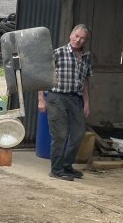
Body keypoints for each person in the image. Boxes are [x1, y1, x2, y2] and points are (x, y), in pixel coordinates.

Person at [38, 24, 92, 181]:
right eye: (76, 36)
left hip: (76, 99)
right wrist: (41, 99)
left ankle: (67, 166)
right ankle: (56, 170)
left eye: (82, 38)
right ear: (70, 35)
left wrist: (87, 103)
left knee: (78, 134)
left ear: (85, 40)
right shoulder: (58, 53)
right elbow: (42, 76)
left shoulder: (87, 57)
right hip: (57, 98)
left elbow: (86, 81)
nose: (78, 40)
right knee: (60, 135)